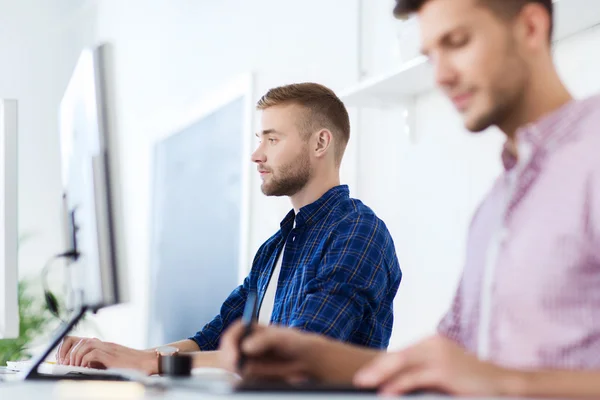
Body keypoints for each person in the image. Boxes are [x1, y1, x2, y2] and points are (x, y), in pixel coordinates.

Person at [219, 0, 600, 397]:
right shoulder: (495, 208)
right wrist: (307, 353)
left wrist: (504, 384)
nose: (442, 75)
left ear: (531, 27)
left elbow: (486, 379)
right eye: (431, 56)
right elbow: (442, 365)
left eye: (458, 42)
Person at [56, 82, 402, 375]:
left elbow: (297, 357)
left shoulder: (357, 232)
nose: (256, 154)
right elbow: (215, 338)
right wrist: (128, 358)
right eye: (259, 139)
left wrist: (150, 362)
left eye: (272, 139)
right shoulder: (274, 249)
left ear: (320, 143)